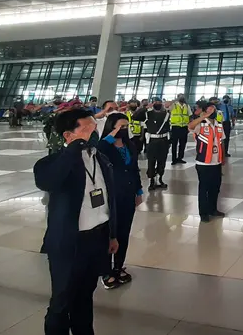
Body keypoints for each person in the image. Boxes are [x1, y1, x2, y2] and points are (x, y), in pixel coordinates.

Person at [33, 108, 119, 335]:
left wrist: (112, 234)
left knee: (85, 296)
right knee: (62, 300)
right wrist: (72, 151)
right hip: (69, 243)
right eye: (87, 129)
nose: (93, 133)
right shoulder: (50, 163)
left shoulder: (101, 159)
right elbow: (48, 181)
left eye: (94, 127)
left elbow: (110, 200)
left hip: (97, 239)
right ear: (68, 135)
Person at [97, 113, 143, 290]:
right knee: (110, 232)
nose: (124, 130)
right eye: (120, 127)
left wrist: (138, 191)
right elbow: (99, 146)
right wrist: (112, 134)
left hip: (128, 193)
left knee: (124, 232)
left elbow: (134, 169)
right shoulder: (105, 147)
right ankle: (105, 270)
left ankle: (118, 266)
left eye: (126, 127)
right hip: (111, 195)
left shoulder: (130, 145)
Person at [188, 101, 226, 222]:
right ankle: (203, 213)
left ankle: (212, 209)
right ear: (204, 111)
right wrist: (202, 117)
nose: (212, 111)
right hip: (204, 162)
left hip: (216, 162)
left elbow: (222, 141)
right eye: (210, 109)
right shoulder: (201, 124)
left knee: (215, 187)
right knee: (204, 188)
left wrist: (223, 157)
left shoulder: (218, 124)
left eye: (214, 109)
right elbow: (190, 126)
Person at [144, 97, 170, 190]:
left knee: (162, 161)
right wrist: (145, 107)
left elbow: (168, 128)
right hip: (152, 141)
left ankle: (160, 179)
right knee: (151, 161)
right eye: (156, 102)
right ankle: (152, 180)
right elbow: (136, 116)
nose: (158, 103)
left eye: (159, 102)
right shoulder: (148, 114)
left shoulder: (166, 114)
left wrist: (169, 141)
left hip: (163, 140)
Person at [169, 94, 190, 165]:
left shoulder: (187, 106)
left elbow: (189, 116)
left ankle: (180, 158)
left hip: (184, 127)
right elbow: (167, 106)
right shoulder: (173, 105)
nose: (182, 98)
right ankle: (174, 159)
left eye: (183, 96)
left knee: (183, 144)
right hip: (175, 127)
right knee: (174, 144)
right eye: (180, 96)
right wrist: (174, 100)